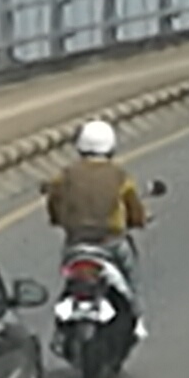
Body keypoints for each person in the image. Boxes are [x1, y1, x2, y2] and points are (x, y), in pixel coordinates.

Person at [44, 120, 152, 335]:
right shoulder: (119, 176)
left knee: (68, 280)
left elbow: (54, 202)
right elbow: (134, 209)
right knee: (131, 277)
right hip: (111, 243)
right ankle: (137, 318)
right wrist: (139, 220)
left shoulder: (65, 175)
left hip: (76, 243)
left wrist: (58, 220)